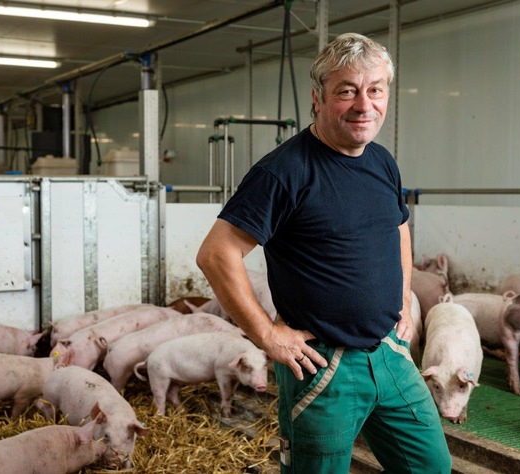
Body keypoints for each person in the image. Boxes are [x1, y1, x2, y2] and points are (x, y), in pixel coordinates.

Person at [196, 32, 452, 473]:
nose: (363, 105)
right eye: (346, 91)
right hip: (324, 366)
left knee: (431, 467)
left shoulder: (381, 161)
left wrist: (404, 305)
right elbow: (216, 254)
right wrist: (268, 336)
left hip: (390, 353)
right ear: (317, 98)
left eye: (375, 90)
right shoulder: (283, 171)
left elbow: (399, 227)